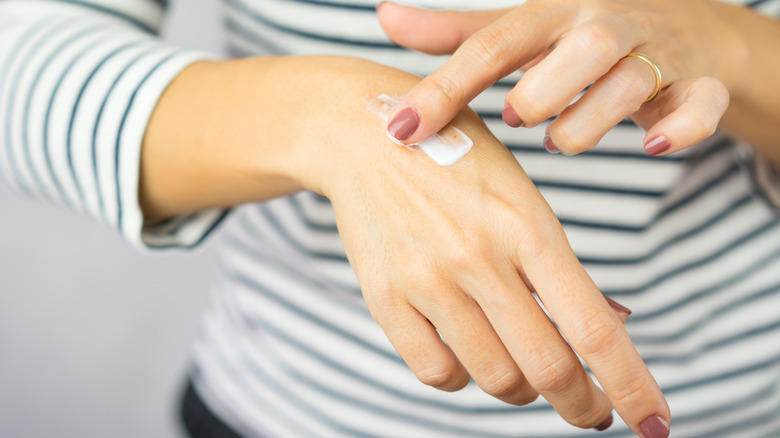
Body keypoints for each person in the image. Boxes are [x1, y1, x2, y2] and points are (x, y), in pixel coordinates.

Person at [1, 0, 779, 436]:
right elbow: (20, 59)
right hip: (290, 409)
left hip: (729, 410)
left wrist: (728, 45)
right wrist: (324, 122)